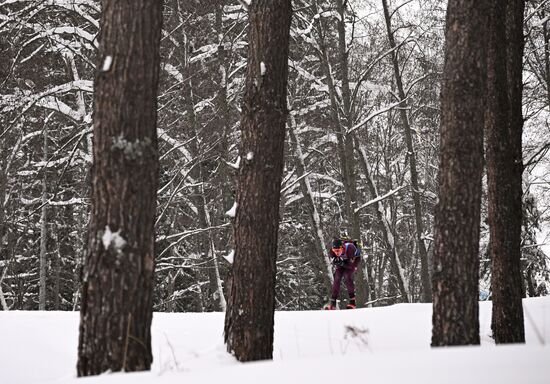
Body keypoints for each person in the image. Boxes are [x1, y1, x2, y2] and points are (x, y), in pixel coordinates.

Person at [325, 237, 360, 310]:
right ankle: (333, 303)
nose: (336, 252)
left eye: (338, 250)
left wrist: (342, 263)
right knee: (337, 278)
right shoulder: (332, 251)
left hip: (352, 260)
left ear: (342, 247)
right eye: (335, 250)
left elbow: (352, 265)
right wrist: (336, 262)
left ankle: (352, 302)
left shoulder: (350, 248)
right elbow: (335, 260)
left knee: (347, 277)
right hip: (343, 263)